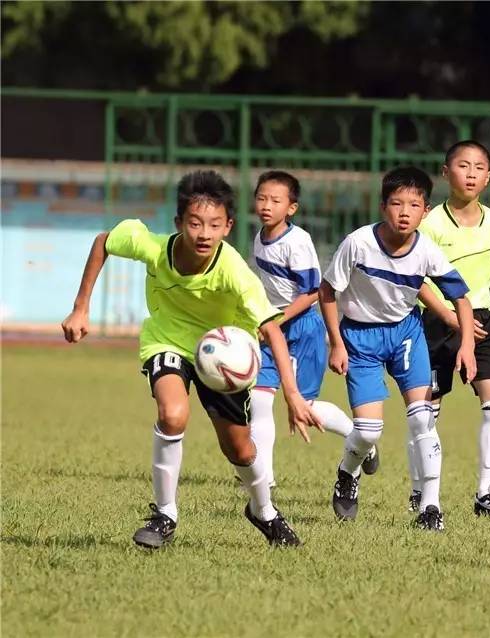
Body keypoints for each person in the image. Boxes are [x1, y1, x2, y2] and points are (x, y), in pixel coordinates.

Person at [61, 170, 322, 548]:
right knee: (172, 414)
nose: (204, 233)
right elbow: (104, 241)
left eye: (215, 225)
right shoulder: (154, 247)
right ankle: (165, 514)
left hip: (226, 356)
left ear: (228, 227)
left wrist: (294, 395)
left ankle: (263, 511)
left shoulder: (235, 272)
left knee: (241, 450)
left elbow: (272, 330)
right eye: (195, 223)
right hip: (167, 342)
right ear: (178, 223)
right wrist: (80, 308)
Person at [319, 166, 477, 531]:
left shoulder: (427, 251)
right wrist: (337, 343)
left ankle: (431, 507)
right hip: (359, 338)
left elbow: (462, 298)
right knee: (369, 431)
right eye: (396, 203)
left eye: (414, 205)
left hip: (406, 334)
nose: (404, 212)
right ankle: (348, 471)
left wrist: (466, 345)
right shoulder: (358, 243)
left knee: (423, 418)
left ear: (426, 211)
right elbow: (327, 292)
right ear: (382, 206)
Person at [249, 170, 378, 487]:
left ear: (291, 208)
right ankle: (264, 476)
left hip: (302, 329)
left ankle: (360, 439)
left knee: (305, 406)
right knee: (260, 398)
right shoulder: (259, 238)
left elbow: (312, 293)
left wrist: (278, 319)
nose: (267, 205)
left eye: (275, 200)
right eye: (262, 198)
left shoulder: (297, 242)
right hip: (274, 327)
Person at [415, 140, 490, 518]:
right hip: (435, 322)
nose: (471, 173)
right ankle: (421, 489)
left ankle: (486, 493)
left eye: (479, 167)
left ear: (488, 177)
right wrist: (447, 315)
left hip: (481, 321)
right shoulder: (428, 223)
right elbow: (417, 278)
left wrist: (471, 316)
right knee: (427, 410)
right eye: (463, 166)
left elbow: (488, 270)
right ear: (446, 173)